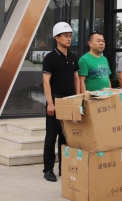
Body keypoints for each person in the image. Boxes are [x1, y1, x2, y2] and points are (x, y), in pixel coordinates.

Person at [42, 22, 79, 183]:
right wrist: (50, 103)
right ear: (57, 38)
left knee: (66, 137)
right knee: (51, 136)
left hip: (70, 101)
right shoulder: (50, 58)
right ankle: (48, 170)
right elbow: (46, 81)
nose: (69, 39)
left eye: (70, 36)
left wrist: (78, 99)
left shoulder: (73, 57)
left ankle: (63, 167)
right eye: (65, 36)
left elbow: (76, 79)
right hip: (56, 101)